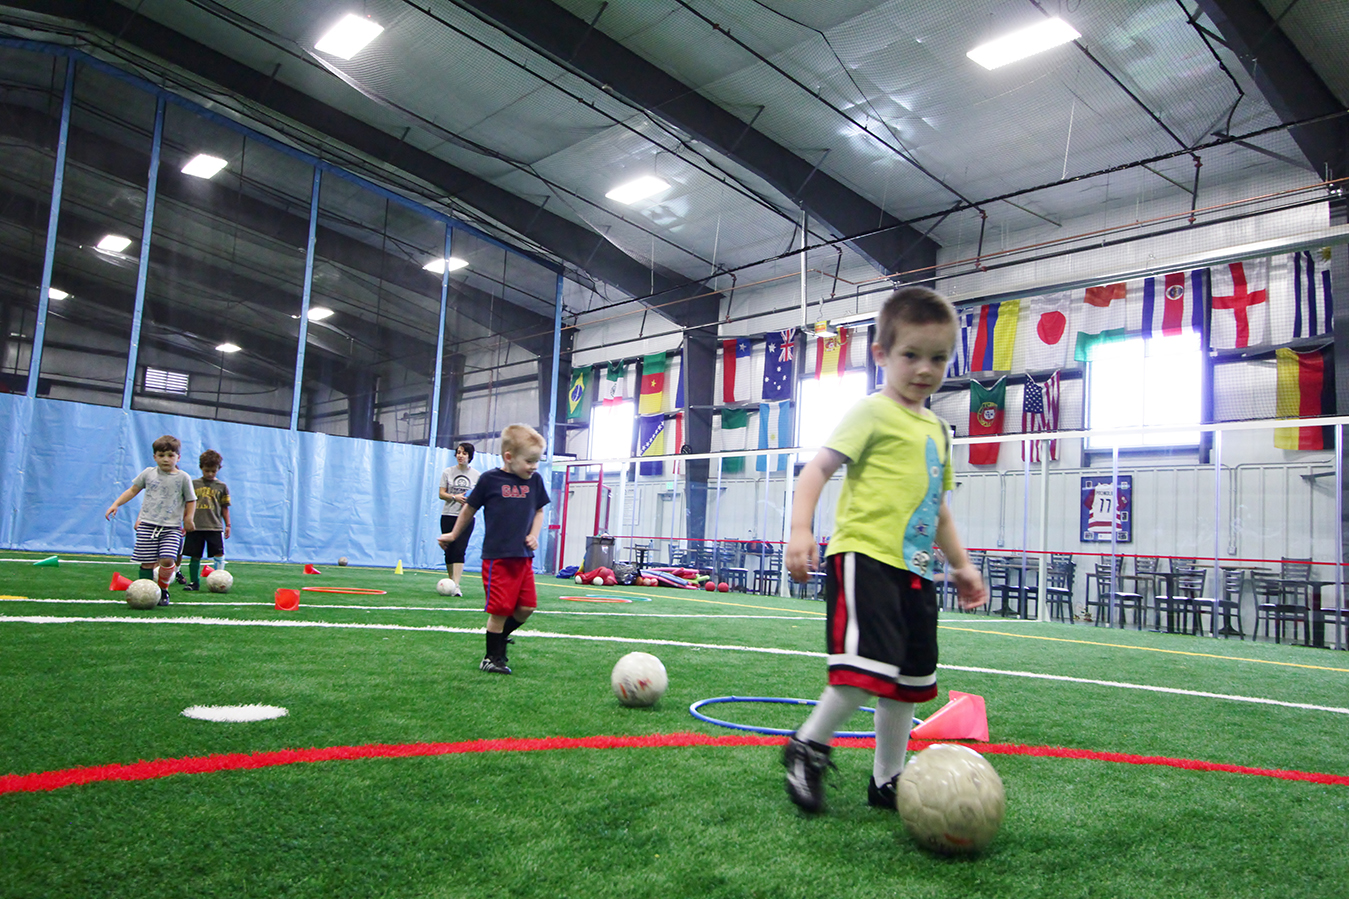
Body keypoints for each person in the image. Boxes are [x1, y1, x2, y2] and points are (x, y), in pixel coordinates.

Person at [781, 286, 988, 814]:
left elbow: (938, 509)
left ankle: (888, 779)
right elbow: (817, 470)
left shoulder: (940, 431)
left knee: (907, 682)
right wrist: (801, 530)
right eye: (910, 355)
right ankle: (807, 746)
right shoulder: (870, 412)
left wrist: (961, 567)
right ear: (881, 354)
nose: (925, 369)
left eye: (938, 358)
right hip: (864, 558)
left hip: (915, 572)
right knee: (864, 669)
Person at [438, 424, 550, 675]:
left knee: (526, 607)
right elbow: (469, 508)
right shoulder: (490, 480)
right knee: (499, 611)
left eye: (537, 461)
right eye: (529, 461)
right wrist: (454, 534)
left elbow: (540, 510)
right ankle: (492, 657)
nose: (534, 466)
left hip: (524, 559)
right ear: (509, 457)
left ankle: (499, 638)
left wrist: (533, 534)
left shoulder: (535, 481)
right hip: (498, 559)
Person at [104, 434, 197, 606]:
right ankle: (146, 592)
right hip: (148, 525)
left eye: (170, 455)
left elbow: (191, 500)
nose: (166, 459)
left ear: (178, 457)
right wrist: (116, 504)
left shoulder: (183, 477)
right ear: (155, 457)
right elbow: (133, 490)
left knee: (168, 559)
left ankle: (163, 590)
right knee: (147, 563)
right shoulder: (148, 474)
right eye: (161, 455)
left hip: (171, 527)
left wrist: (188, 519)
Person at [181, 449, 231, 592]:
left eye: (213, 471)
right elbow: (187, 504)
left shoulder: (222, 487)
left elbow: (225, 507)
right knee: (194, 555)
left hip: (214, 526)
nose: (210, 474)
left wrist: (228, 525)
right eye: (207, 471)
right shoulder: (193, 484)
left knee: (218, 553)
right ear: (201, 468)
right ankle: (194, 582)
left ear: (218, 469)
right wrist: (184, 522)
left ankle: (220, 580)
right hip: (195, 527)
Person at [437, 442, 480, 596]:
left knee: (460, 549)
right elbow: (441, 494)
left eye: (464, 453)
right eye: (458, 452)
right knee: (449, 550)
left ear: (470, 456)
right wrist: (455, 497)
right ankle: (450, 582)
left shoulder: (476, 475)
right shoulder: (447, 472)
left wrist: (470, 501)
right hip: (448, 515)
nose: (460, 456)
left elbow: (479, 496)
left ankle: (456, 585)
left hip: (466, 518)